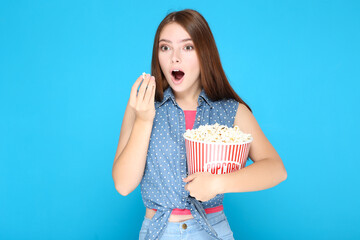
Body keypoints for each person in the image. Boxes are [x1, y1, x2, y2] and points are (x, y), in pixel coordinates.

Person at [112, 9, 287, 240]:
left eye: (187, 47)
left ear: (204, 52)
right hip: (158, 231)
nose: (175, 57)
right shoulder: (142, 104)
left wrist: (218, 182)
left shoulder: (230, 111)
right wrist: (144, 120)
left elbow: (276, 169)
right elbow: (123, 185)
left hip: (213, 230)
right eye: (165, 47)